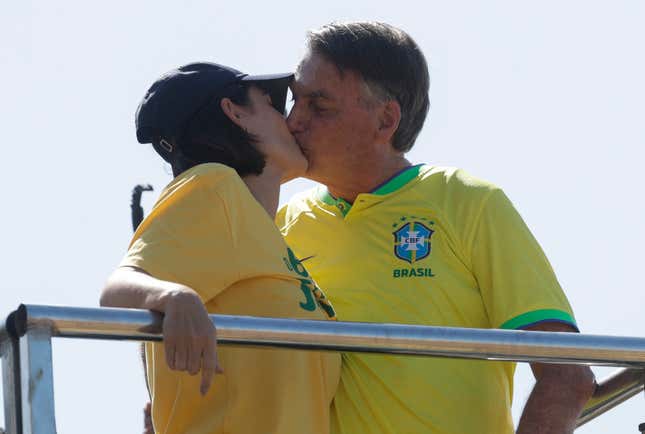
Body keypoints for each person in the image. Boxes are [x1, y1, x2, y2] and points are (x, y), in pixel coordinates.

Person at [276, 21, 596, 434]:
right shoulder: (283, 221)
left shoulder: (467, 201)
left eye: (318, 106)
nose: (293, 121)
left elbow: (567, 375)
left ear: (385, 119)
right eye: (294, 101)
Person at [100, 62, 339, 434]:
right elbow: (118, 289)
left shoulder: (264, 235)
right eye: (275, 103)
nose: (292, 120)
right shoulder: (216, 186)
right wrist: (174, 296)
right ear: (236, 112)